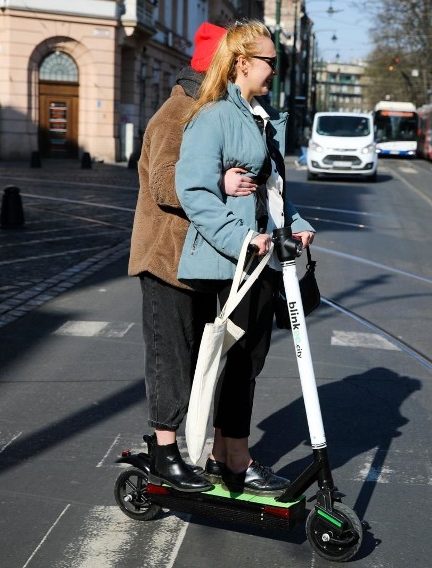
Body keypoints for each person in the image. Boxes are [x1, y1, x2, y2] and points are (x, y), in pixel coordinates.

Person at [175, 20, 316, 494]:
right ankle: (234, 457)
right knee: (237, 360)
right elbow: (193, 190)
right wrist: (242, 238)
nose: (276, 70)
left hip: (264, 256)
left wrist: (295, 221)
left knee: (249, 359)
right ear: (241, 63)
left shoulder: (260, 115)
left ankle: (227, 451)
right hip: (230, 260)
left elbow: (270, 188)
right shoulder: (214, 116)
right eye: (270, 61)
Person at [127, 22, 258, 493]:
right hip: (165, 260)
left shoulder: (215, 110)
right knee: (171, 359)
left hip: (201, 261)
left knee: (200, 359)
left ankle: (201, 448)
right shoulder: (177, 113)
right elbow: (163, 183)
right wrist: (219, 182)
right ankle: (164, 452)